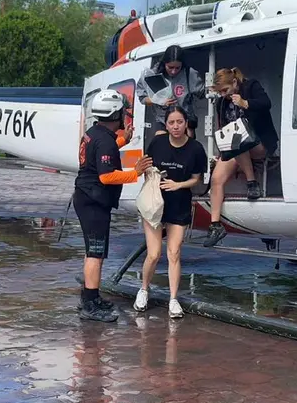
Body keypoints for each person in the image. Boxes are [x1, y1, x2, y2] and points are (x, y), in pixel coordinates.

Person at [74, 89, 153, 323]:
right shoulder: (104, 141)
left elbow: (101, 152)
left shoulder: (95, 133)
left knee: (92, 252)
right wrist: (135, 173)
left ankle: (90, 296)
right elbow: (107, 176)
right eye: (121, 113)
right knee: (95, 254)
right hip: (94, 201)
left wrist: (123, 141)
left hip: (85, 197)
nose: (123, 116)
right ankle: (89, 304)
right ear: (114, 114)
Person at [134, 106, 208, 318]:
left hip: (179, 204)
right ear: (166, 125)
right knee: (154, 253)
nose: (176, 127)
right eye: (171, 123)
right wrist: (149, 173)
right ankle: (144, 289)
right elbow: (144, 168)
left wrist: (179, 185)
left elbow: (197, 179)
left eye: (180, 122)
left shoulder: (196, 149)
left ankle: (173, 299)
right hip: (155, 205)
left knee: (174, 253)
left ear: (186, 124)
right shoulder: (157, 142)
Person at [203, 67, 279, 248]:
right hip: (236, 146)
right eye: (220, 92)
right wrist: (221, 153)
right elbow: (222, 127)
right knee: (217, 179)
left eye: (225, 90)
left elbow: (266, 103)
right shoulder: (221, 102)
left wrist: (245, 103)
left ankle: (252, 182)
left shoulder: (251, 86)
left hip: (260, 142)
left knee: (239, 142)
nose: (223, 95)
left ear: (234, 83)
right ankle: (215, 226)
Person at [136, 44, 205, 138]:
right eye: (170, 67)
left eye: (177, 68)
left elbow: (203, 93)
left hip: (184, 122)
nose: (173, 71)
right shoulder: (152, 75)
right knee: (161, 145)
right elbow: (142, 98)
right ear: (164, 63)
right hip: (162, 121)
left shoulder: (190, 73)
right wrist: (157, 100)